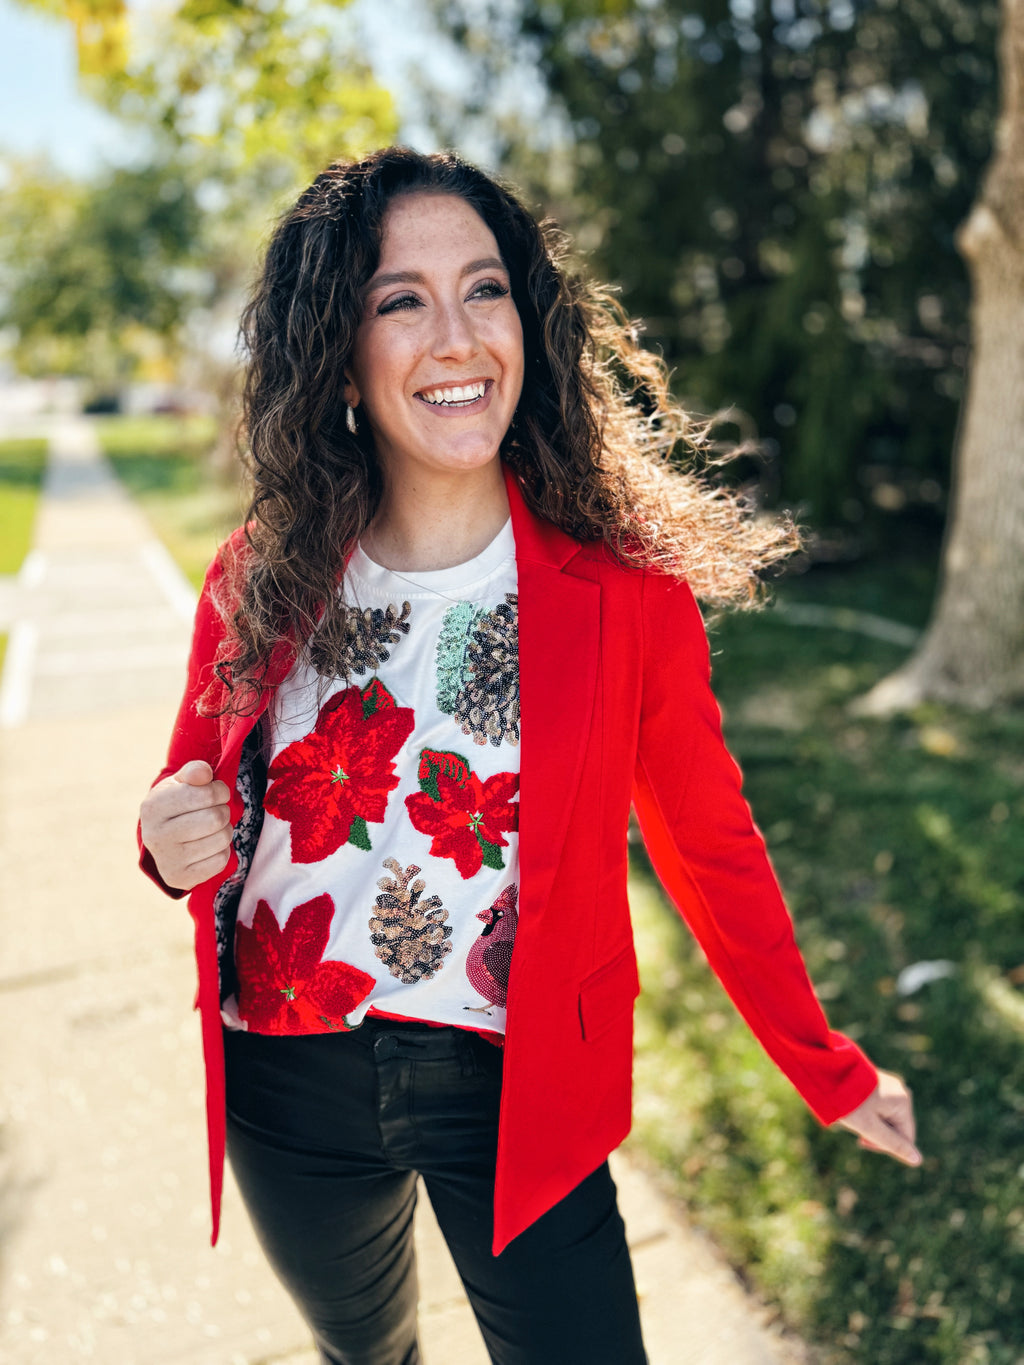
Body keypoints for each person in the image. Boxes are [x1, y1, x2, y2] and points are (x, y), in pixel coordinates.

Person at [138, 147, 919, 1365]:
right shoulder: (257, 578)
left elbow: (710, 847)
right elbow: (187, 805)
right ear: (337, 350)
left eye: (484, 289)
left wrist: (824, 1068)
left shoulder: (624, 597)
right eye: (400, 300)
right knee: (368, 1354)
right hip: (285, 1079)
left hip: (512, 1085)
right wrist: (163, 840)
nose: (455, 337)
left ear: (530, 323)